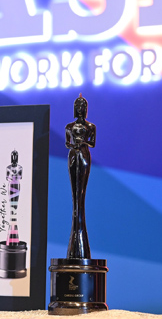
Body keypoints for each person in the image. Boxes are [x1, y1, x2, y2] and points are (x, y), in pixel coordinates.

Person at [65, 93, 96, 259]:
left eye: (82, 106)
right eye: (77, 106)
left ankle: (79, 236)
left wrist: (82, 143)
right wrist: (73, 146)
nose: (79, 109)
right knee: (74, 194)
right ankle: (75, 240)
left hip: (84, 155)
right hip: (73, 155)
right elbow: (67, 143)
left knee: (81, 193)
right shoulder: (69, 126)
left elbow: (92, 143)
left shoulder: (91, 126)